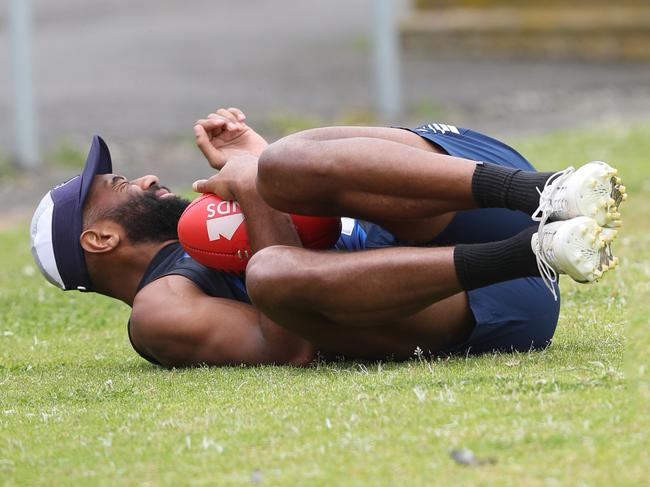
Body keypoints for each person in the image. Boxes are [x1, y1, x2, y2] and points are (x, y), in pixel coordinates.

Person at [30, 108, 625, 368]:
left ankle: (551, 191)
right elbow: (287, 347)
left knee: (286, 160)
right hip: (486, 294)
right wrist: (258, 193)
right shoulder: (160, 310)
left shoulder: (211, 214)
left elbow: (305, 186)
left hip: (468, 195)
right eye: (120, 184)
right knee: (269, 276)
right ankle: (543, 247)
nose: (146, 177)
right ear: (99, 238)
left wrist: (259, 165)